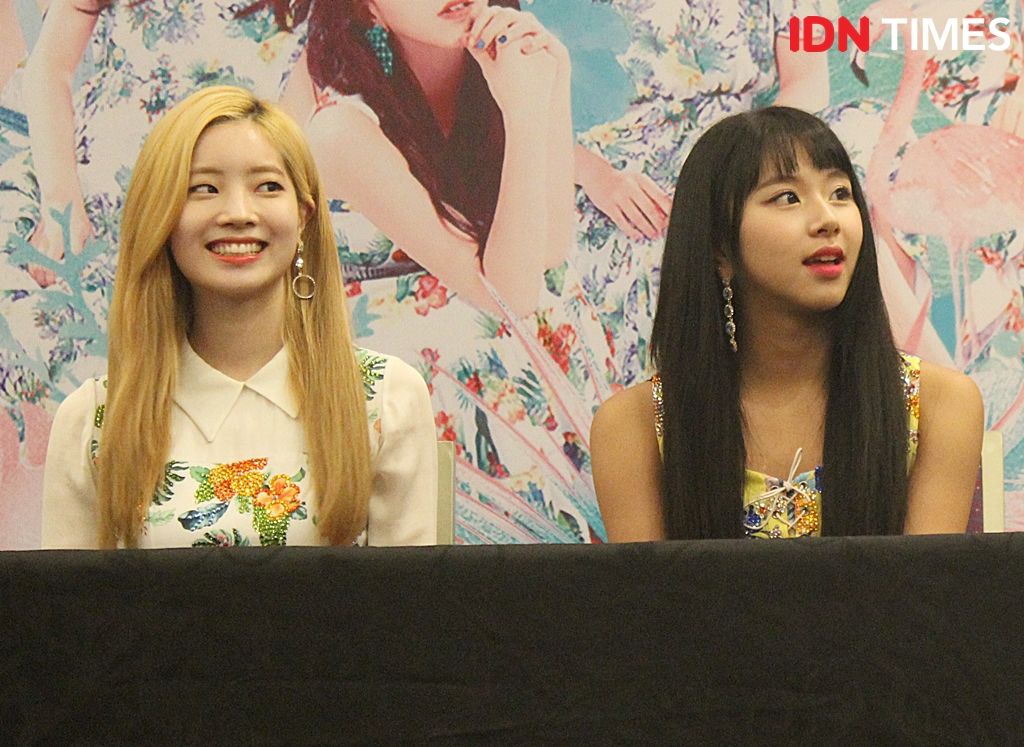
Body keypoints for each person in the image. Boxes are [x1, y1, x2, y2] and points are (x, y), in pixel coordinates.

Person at [276, 0, 617, 543]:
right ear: (369, 8)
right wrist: (525, 115)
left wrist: (548, 87)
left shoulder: (492, 67)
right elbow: (506, 295)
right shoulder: (339, 126)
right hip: (386, 374)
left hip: (479, 331)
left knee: (562, 309)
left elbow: (548, 254)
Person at [41, 86, 437, 549]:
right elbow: (68, 597)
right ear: (161, 218)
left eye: (267, 186)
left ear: (304, 216)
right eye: (203, 189)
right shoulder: (94, 420)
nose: (238, 214)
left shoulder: (385, 400)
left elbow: (409, 595)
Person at [591, 107, 984, 541]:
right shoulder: (634, 426)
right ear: (720, 247)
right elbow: (651, 588)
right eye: (787, 198)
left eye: (839, 193)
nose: (828, 220)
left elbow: (922, 584)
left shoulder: (939, 406)